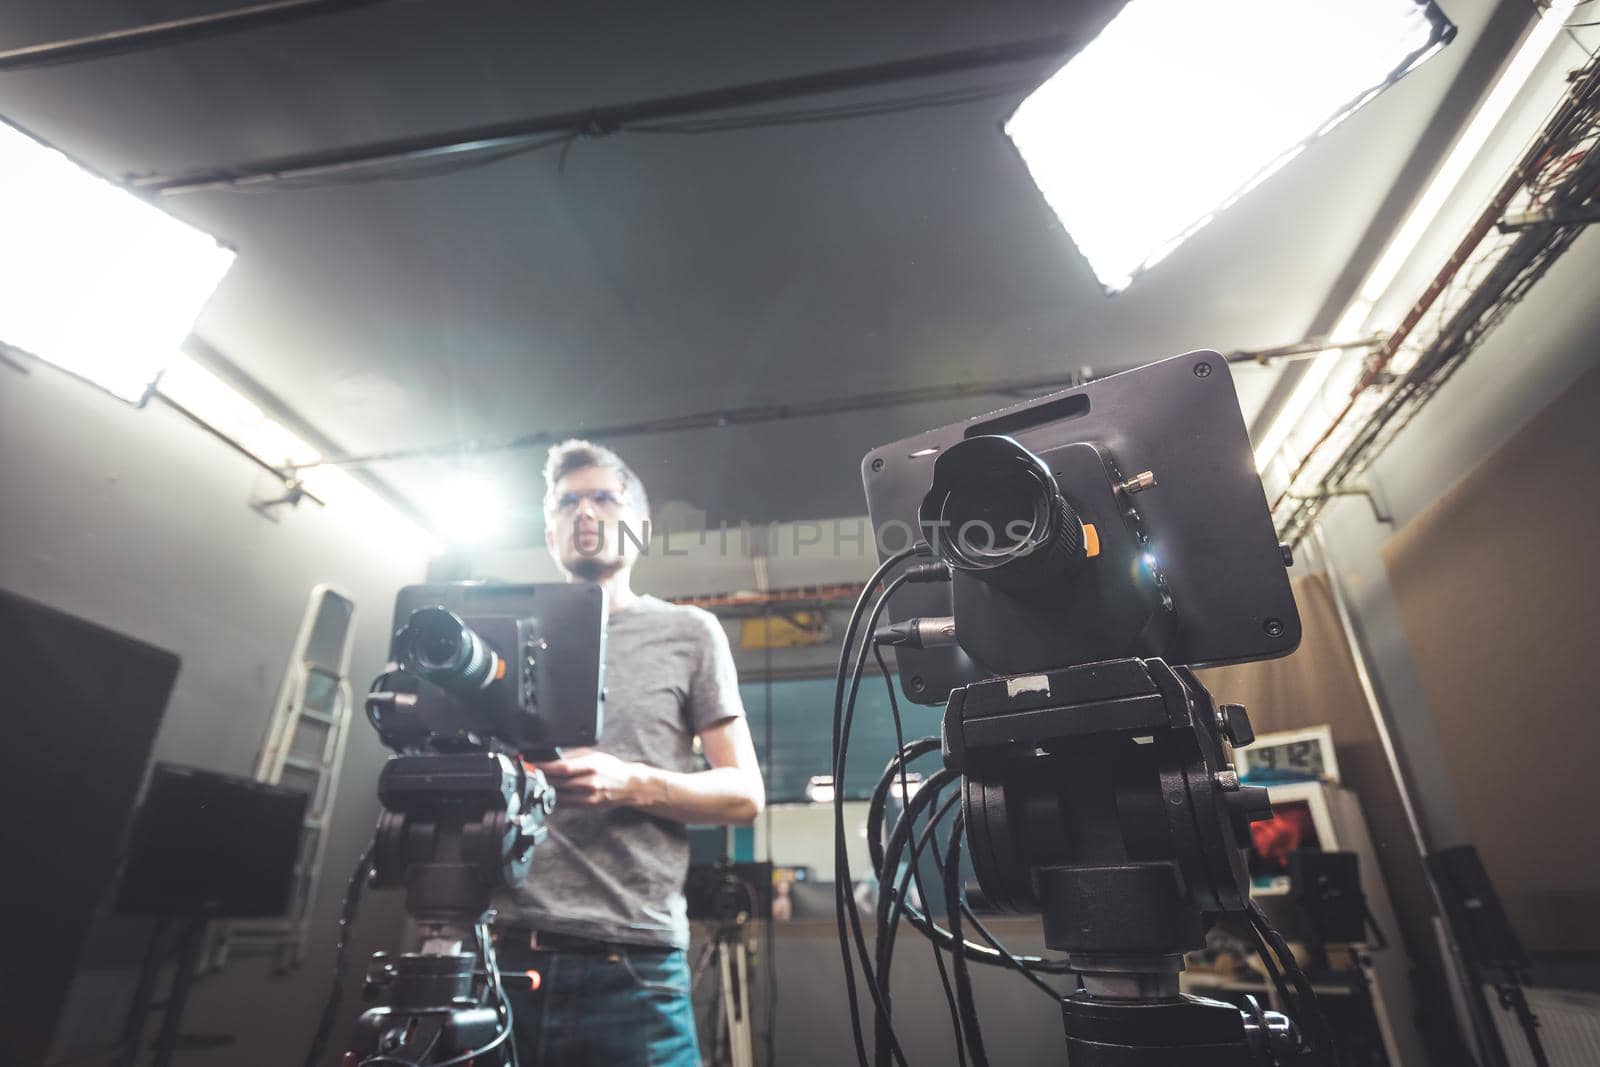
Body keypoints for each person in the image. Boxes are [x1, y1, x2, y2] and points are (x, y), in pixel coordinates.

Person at [492, 439, 765, 1067]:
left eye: (603, 498)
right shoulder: (506, 640)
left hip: (635, 964)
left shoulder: (689, 632)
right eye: (567, 502)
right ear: (550, 530)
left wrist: (630, 782)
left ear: (639, 529)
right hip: (505, 955)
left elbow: (744, 795)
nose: (584, 512)